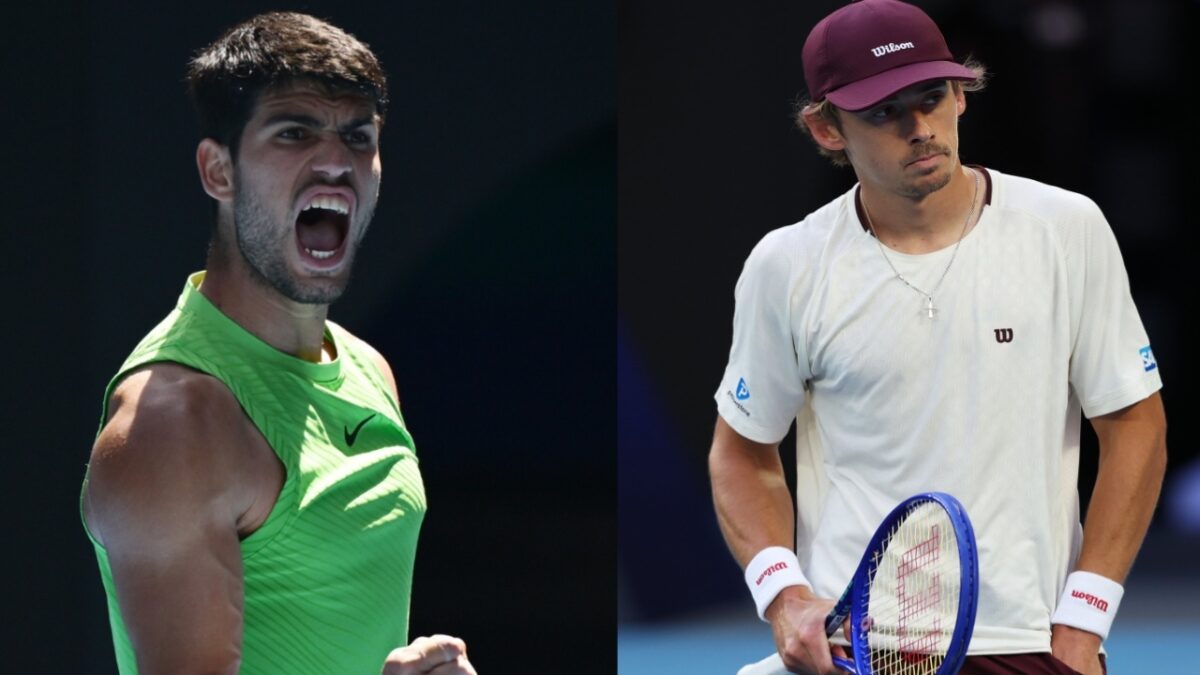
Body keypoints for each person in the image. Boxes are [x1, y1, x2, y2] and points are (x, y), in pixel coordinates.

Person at [708, 1, 1166, 674]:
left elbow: (1135, 425)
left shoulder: (1068, 230)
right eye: (883, 111)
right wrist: (784, 596)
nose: (919, 128)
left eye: (931, 97)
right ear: (826, 128)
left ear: (962, 94)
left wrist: (1084, 620)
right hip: (856, 648)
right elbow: (741, 455)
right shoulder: (787, 266)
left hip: (1031, 645)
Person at [80, 12, 477, 675]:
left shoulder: (367, 369)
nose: (335, 162)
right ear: (219, 171)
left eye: (357, 136)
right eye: (294, 132)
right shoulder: (173, 423)